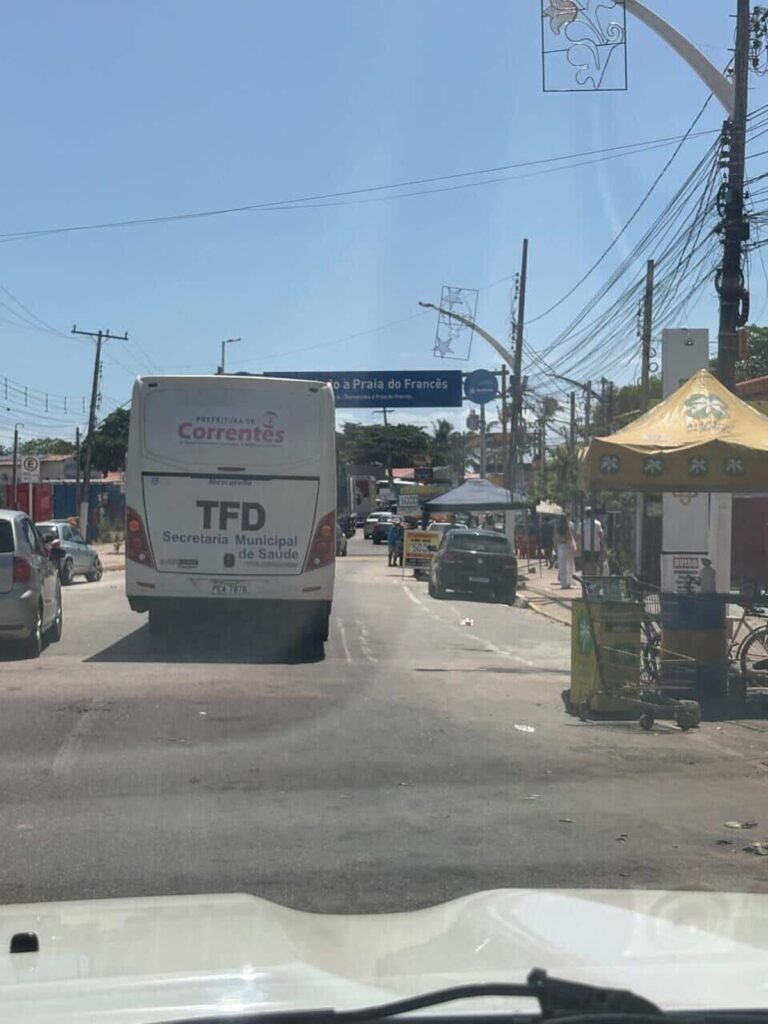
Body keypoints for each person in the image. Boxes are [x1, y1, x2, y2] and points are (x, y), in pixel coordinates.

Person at [578, 507, 605, 576]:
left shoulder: (581, 524)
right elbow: (601, 535)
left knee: (586, 565)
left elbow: (578, 536)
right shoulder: (597, 523)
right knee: (594, 565)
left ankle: (587, 579)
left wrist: (579, 547)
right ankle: (593, 578)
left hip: (585, 548)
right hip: (596, 548)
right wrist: (602, 547)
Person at [553, 514, 576, 589]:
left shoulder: (557, 528)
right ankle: (569, 581)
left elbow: (555, 538)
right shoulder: (568, 527)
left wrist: (556, 548)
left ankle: (563, 583)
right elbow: (569, 537)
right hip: (567, 546)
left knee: (562, 566)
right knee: (569, 565)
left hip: (560, 547)